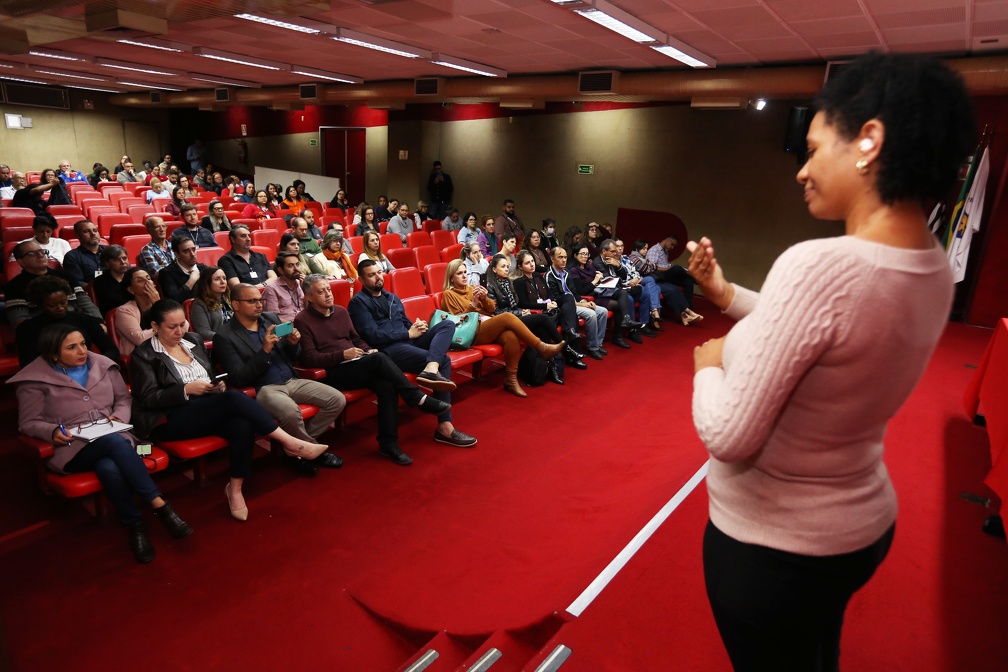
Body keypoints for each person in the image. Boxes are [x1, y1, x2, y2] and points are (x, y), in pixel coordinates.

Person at [688, 52, 974, 671]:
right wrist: (726, 295)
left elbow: (729, 434)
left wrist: (707, 366)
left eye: (814, 150)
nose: (803, 170)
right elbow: (829, 327)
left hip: (774, 547)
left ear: (869, 141)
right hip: (857, 528)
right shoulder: (932, 265)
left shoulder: (818, 265)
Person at [130, 299, 327, 522]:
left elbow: (210, 374)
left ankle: (234, 489)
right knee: (234, 398)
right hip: (172, 418)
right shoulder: (144, 355)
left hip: (207, 406)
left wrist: (217, 384)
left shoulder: (192, 340)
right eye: (171, 327)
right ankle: (290, 442)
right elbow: (147, 398)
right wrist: (185, 389)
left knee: (241, 425)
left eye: (182, 324)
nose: (179, 331)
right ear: (155, 327)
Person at [11, 324, 192, 563]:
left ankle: (135, 525)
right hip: (72, 447)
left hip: (113, 433)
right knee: (114, 444)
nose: (82, 351)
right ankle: (160, 504)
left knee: (109, 466)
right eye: (72, 347)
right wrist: (52, 430)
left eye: (84, 344)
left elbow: (123, 399)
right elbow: (28, 422)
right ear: (53, 354)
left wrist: (120, 415)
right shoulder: (34, 380)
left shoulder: (104, 366)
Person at [294, 274, 451, 466]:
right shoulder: (302, 320)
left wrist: (368, 349)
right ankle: (417, 397)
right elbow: (309, 358)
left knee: (386, 384)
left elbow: (357, 339)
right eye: (321, 291)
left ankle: (388, 443)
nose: (328, 294)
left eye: (328, 289)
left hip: (356, 364)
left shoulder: (341, 312)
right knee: (379, 358)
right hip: (333, 372)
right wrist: (342, 355)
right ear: (309, 297)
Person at [213, 283, 345, 477]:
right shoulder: (224, 337)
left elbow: (293, 355)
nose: (259, 305)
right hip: (265, 388)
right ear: (236, 304)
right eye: (252, 301)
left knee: (337, 399)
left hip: (292, 379)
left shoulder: (271, 319)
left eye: (259, 300)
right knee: (291, 412)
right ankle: (313, 451)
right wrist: (264, 351)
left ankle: (295, 448)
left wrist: (293, 344)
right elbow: (239, 378)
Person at [349, 259, 477, 447]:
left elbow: (406, 323)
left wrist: (417, 326)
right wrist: (406, 333)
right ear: (361, 279)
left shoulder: (392, 297)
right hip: (389, 349)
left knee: (447, 324)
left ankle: (431, 368)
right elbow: (372, 335)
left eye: (379, 272)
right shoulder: (358, 303)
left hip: (408, 340)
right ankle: (445, 426)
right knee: (445, 360)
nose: (378, 277)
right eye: (371, 274)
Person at [440, 260, 564, 398]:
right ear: (452, 277)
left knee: (510, 336)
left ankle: (511, 379)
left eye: (465, 272)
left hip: (487, 324)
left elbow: (491, 308)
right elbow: (460, 321)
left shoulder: (471, 288)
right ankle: (540, 346)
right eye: (459, 274)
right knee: (506, 317)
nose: (464, 276)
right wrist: (474, 304)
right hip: (470, 332)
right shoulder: (448, 295)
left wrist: (484, 298)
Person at [483, 254, 565, 385]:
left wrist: (521, 311)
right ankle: (564, 348)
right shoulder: (490, 286)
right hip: (503, 323)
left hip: (516, 317)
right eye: (503, 266)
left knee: (541, 329)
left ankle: (549, 366)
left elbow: (514, 304)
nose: (506, 269)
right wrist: (520, 312)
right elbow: (496, 312)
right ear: (494, 269)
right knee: (543, 319)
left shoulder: (508, 282)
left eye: (507, 266)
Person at [15, 276, 119, 367]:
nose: (60, 308)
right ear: (39, 305)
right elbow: (28, 364)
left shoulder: (84, 319)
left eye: (63, 302)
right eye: (52, 305)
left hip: (88, 369)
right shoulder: (27, 329)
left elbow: (111, 350)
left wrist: (96, 365)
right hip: (50, 377)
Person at [514, 249, 587, 369]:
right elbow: (523, 303)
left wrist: (552, 301)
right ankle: (568, 353)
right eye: (527, 263)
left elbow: (549, 294)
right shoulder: (519, 282)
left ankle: (570, 335)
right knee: (564, 318)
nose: (532, 264)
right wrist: (545, 306)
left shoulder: (538, 276)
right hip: (538, 314)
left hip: (550, 310)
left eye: (532, 261)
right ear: (520, 266)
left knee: (568, 299)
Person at [6, 240, 100, 327]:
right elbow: (20, 322)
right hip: (45, 332)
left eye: (42, 251)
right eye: (32, 254)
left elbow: (85, 303)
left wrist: (99, 322)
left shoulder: (65, 276)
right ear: (21, 261)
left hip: (76, 323)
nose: (41, 255)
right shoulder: (14, 286)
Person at [569, 242, 641, 349]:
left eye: (587, 254)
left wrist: (600, 280)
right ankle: (612, 338)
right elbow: (581, 291)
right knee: (618, 305)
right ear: (575, 255)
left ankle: (623, 325)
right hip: (590, 298)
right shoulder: (574, 270)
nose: (585, 256)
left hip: (599, 292)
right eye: (582, 254)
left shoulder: (589, 267)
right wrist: (595, 281)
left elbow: (622, 276)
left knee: (623, 294)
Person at [545, 246, 608, 360]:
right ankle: (592, 347)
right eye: (560, 257)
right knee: (591, 314)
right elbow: (557, 300)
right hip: (564, 308)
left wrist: (583, 300)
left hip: (576, 303)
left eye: (565, 257)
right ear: (552, 259)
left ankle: (598, 344)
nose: (564, 260)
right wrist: (581, 304)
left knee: (603, 311)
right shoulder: (549, 276)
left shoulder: (567, 272)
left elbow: (574, 291)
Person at [594, 239, 654, 342]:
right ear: (604, 251)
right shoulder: (597, 262)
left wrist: (618, 265)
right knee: (627, 298)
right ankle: (631, 329)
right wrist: (625, 285)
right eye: (613, 251)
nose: (615, 253)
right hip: (606, 290)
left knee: (645, 294)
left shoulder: (612, 259)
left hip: (617, 288)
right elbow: (609, 279)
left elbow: (624, 275)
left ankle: (643, 325)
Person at [647, 234, 703, 325]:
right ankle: (696, 279)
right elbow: (652, 268)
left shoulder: (665, 252)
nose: (672, 247)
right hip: (658, 276)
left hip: (666, 276)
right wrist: (669, 268)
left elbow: (666, 265)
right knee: (677, 268)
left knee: (688, 281)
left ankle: (689, 309)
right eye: (672, 244)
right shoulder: (654, 250)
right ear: (667, 240)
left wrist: (670, 267)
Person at [113, 267, 160, 357]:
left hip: (166, 350)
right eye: (140, 281)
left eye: (148, 278)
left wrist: (158, 304)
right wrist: (165, 328)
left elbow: (184, 325)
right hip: (141, 356)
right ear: (131, 289)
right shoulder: (124, 311)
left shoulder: (162, 303)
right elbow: (140, 339)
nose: (147, 282)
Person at [220, 225, 275, 289]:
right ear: (233, 239)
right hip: (246, 297)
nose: (248, 239)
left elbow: (274, 277)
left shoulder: (261, 256)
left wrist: (261, 286)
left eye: (249, 236)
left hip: (269, 292)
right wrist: (258, 288)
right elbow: (236, 286)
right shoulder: (226, 260)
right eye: (243, 236)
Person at [159, 236, 209, 304]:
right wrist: (192, 280)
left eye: (194, 249)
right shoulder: (167, 273)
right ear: (177, 254)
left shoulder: (203, 269)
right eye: (186, 251)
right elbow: (174, 300)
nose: (192, 254)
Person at [189, 266, 232, 341]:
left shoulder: (229, 299)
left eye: (224, 278)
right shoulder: (199, 304)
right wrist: (227, 338)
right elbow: (203, 332)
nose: (222, 282)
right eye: (217, 279)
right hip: (220, 343)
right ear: (207, 283)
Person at [262, 252, 306, 322]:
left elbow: (311, 309)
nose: (296, 269)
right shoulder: (272, 289)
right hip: (287, 328)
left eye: (297, 264)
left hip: (305, 324)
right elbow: (272, 318)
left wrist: (305, 290)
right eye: (291, 266)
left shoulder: (301, 284)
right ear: (281, 270)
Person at [62, 220, 107, 286]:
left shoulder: (109, 250)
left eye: (95, 230)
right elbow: (77, 283)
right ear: (77, 235)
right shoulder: (72, 256)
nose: (93, 234)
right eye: (86, 231)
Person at [92, 245, 133, 315]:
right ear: (107, 263)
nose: (123, 262)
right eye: (117, 260)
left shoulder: (134, 276)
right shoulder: (100, 282)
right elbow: (113, 303)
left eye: (124, 258)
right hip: (117, 316)